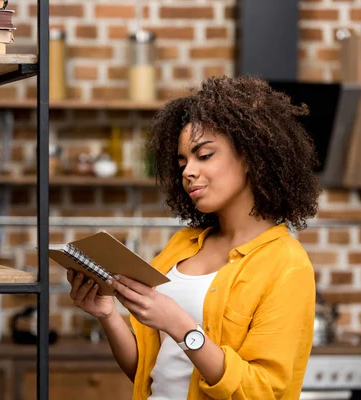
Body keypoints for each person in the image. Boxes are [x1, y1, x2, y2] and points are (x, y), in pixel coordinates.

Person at [66, 75, 321, 400]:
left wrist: (181, 326)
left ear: (250, 157)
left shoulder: (286, 264)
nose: (187, 171)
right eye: (183, 161)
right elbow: (147, 371)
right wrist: (108, 316)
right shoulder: (181, 245)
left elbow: (263, 392)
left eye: (204, 155)